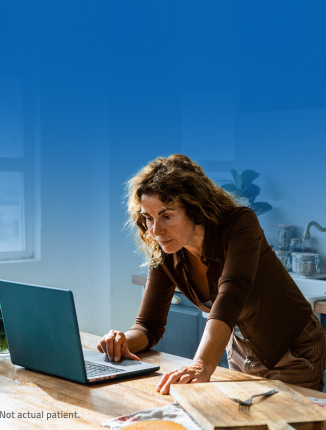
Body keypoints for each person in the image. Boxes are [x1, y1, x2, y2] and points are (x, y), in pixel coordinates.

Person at [97, 154, 326, 394]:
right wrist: (122, 341)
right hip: (241, 353)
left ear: (195, 208)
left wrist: (200, 366)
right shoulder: (166, 249)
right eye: (148, 218)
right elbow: (148, 325)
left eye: (166, 216)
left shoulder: (240, 224)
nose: (155, 230)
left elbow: (230, 298)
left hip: (293, 351)